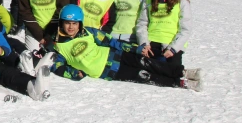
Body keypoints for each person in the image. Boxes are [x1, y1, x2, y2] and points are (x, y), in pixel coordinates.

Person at [50, 5, 202, 91]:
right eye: (67, 23)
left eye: (75, 23)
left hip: (116, 55)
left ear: (80, 23)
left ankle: (184, 72)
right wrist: (74, 73)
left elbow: (112, 41)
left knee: (149, 64)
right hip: (108, 71)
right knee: (144, 76)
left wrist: (135, 49)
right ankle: (183, 83)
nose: (71, 27)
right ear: (62, 23)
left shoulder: (89, 32)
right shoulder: (59, 46)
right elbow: (57, 66)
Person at [134, 0, 192, 69]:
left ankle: (181, 75)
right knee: (147, 71)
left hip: (171, 43)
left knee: (170, 72)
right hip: (152, 43)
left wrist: (173, 48)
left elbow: (185, 29)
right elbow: (142, 23)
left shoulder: (181, 0)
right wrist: (144, 43)